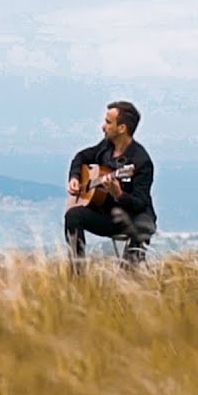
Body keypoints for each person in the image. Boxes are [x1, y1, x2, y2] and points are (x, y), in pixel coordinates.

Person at [65, 100, 156, 272]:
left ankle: (129, 276)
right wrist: (75, 177)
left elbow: (140, 202)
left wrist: (119, 194)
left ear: (122, 128)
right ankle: (77, 273)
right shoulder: (106, 146)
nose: (103, 126)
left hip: (132, 217)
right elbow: (81, 157)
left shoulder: (141, 161)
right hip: (106, 214)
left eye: (108, 122)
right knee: (73, 215)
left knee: (144, 227)